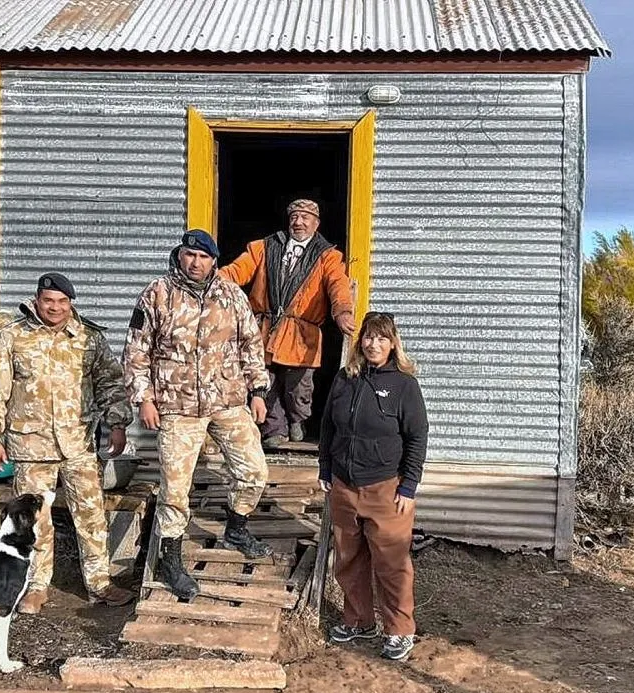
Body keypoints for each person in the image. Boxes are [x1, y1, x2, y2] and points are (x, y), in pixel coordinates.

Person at [123, 230, 275, 601]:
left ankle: (237, 527)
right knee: (175, 489)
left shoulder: (231, 295)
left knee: (254, 471)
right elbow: (136, 352)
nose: (196, 262)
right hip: (177, 407)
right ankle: (170, 560)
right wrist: (144, 399)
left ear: (214, 261)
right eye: (190, 255)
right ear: (180, 256)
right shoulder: (157, 294)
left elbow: (250, 344)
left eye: (203, 257)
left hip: (228, 400)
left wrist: (257, 391)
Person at [0, 272, 135, 613]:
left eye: (63, 302)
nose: (56, 308)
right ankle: (36, 586)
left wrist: (117, 424)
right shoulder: (13, 336)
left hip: (79, 445)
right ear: (37, 301)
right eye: (49, 301)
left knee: (91, 517)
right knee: (36, 521)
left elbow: (110, 382)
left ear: (70, 304)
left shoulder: (89, 338)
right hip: (31, 448)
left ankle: (100, 584)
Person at [317, 311, 429, 661]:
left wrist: (408, 487)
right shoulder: (345, 378)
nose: (373, 344)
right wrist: (325, 468)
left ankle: (399, 631)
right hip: (344, 485)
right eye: (368, 337)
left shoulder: (404, 385)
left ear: (393, 343)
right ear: (359, 341)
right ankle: (359, 620)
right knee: (349, 558)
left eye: (381, 338)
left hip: (385, 488)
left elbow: (417, 437)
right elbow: (327, 429)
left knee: (391, 563)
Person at [220, 198, 356, 449]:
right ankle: (275, 429)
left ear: (316, 224)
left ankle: (298, 420)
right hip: (264, 329)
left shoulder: (328, 256)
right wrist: (213, 279)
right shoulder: (264, 247)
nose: (299, 222)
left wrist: (343, 311)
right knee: (264, 382)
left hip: (301, 333)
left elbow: (338, 285)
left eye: (305, 218)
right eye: (294, 217)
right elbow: (238, 270)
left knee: (299, 386)